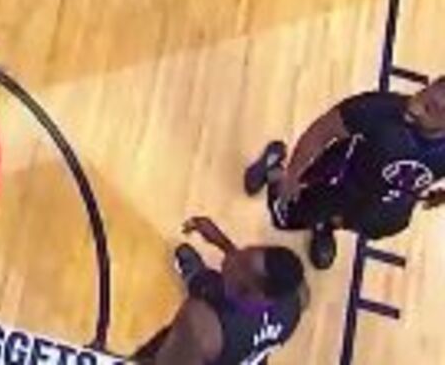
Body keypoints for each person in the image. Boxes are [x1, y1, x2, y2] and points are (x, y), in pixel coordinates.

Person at [243, 76, 445, 269]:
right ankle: (273, 169)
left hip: (381, 208)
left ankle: (324, 226)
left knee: (355, 222)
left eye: (434, 108)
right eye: (429, 93)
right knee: (284, 217)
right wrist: (292, 175)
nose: (418, 105)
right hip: (335, 182)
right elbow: (321, 132)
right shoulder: (378, 109)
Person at [133, 216, 307, 365]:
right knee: (208, 282)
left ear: (250, 291)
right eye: (246, 251)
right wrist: (222, 242)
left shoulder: (200, 323)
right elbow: (252, 272)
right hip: (243, 353)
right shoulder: (297, 295)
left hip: (198, 352)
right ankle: (196, 277)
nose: (233, 257)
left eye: (242, 263)